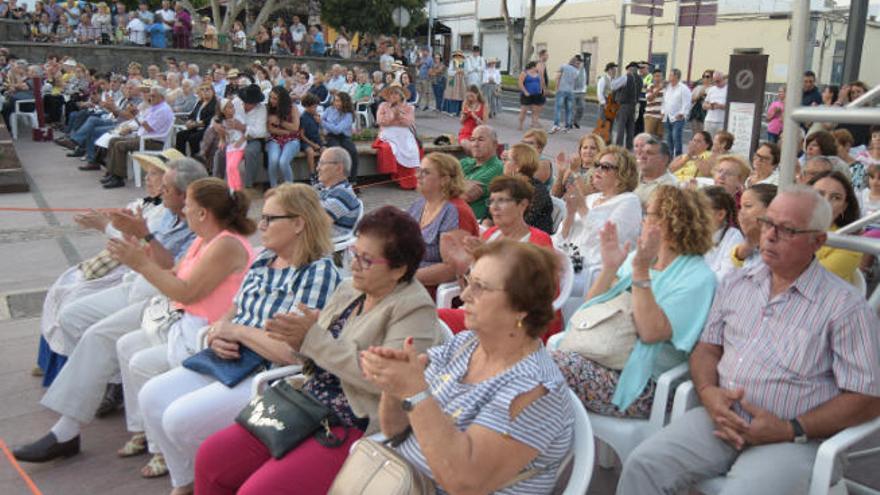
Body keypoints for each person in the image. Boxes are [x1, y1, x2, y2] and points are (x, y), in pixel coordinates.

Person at [619, 186, 880, 495]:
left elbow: (867, 398)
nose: (769, 235)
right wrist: (707, 391)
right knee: (644, 464)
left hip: (797, 438)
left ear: (818, 241)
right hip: (721, 418)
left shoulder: (845, 307)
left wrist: (791, 428)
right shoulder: (737, 282)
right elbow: (707, 348)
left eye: (787, 230)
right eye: (768, 223)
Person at [194, 206, 444, 494]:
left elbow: (390, 381)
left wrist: (312, 338)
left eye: (366, 259)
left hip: (353, 420)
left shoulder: (414, 308)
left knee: (258, 491)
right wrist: (294, 335)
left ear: (399, 269)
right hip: (306, 402)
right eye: (354, 253)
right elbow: (310, 351)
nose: (354, 265)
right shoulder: (350, 289)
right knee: (210, 459)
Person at [128, 183, 339, 493]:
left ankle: (224, 472)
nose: (261, 226)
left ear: (298, 223)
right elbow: (234, 310)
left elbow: (290, 351)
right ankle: (184, 481)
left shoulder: (317, 273)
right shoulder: (263, 261)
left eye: (270, 219)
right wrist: (218, 333)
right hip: (230, 357)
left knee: (177, 419)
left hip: (267, 374)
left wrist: (236, 331)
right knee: (151, 396)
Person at [10, 160, 208, 464]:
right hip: (139, 285)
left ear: (185, 195)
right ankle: (103, 384)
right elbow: (145, 252)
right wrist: (133, 236)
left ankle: (68, 429)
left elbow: (174, 272)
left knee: (98, 335)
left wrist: (140, 238)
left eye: (165, 187)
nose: (160, 192)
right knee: (72, 316)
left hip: (161, 297)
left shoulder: (201, 227)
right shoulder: (167, 216)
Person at [363, 240, 573, 494]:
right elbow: (395, 429)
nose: (464, 295)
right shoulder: (464, 345)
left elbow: (464, 483)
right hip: (395, 480)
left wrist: (414, 391)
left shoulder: (536, 389)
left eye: (480, 287)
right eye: (468, 281)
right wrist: (394, 384)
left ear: (522, 308)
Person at [553, 185, 716, 417]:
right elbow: (590, 308)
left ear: (670, 222)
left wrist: (640, 271)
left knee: (545, 368)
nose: (642, 220)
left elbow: (650, 332)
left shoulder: (698, 278)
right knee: (528, 361)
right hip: (599, 358)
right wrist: (610, 268)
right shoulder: (639, 259)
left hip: (644, 384)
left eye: (648, 213)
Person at [35, 151, 172, 387]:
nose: (148, 179)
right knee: (64, 285)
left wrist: (106, 226)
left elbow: (147, 247)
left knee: (74, 297)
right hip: (123, 264)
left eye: (155, 174)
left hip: (132, 271)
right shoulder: (142, 204)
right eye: (147, 174)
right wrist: (113, 223)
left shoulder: (166, 214)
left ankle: (91, 380)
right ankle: (53, 363)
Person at [554, 146, 642, 296]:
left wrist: (581, 208)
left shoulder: (629, 201)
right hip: (569, 260)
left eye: (606, 167)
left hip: (594, 271)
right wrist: (570, 215)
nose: (598, 170)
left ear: (623, 174)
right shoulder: (591, 198)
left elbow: (608, 237)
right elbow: (561, 236)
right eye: (597, 165)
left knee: (541, 280)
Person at [407, 152, 480, 290]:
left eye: (425, 173)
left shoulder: (456, 212)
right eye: (418, 171)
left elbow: (452, 269)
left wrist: (404, 278)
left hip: (431, 288)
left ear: (444, 180)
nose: (417, 176)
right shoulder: (418, 205)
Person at [101, 85, 175, 189]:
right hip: (143, 138)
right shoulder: (154, 107)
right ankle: (112, 173)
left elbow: (149, 127)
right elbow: (142, 122)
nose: (150, 98)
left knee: (120, 145)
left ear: (161, 97)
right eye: (150, 95)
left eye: (153, 96)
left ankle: (118, 178)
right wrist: (136, 114)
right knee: (113, 140)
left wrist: (137, 116)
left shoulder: (163, 110)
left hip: (153, 142)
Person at [809, 171, 862, 285]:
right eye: (819, 194)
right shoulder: (785, 228)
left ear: (844, 207)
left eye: (836, 198)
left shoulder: (851, 245)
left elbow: (811, 279)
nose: (826, 202)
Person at [374, 83, 420, 189]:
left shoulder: (408, 107)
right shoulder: (383, 106)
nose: (393, 96)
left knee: (411, 149)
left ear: (401, 95)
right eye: (391, 94)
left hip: (404, 133)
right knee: (394, 149)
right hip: (388, 132)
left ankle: (410, 179)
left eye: (395, 93)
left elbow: (409, 122)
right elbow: (380, 121)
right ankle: (397, 177)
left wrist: (400, 116)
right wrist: (392, 116)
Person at [502, 143, 554, 234]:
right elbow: (489, 214)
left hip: (532, 240)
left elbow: (523, 222)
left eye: (507, 160)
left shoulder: (537, 191)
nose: (503, 162)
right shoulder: (506, 185)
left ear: (518, 166)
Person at [315, 147, 362, 239]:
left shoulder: (342, 194)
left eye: (322, 163)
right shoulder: (327, 189)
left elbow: (317, 225)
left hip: (327, 247)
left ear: (339, 168)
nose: (317, 168)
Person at [460, 125, 504, 221]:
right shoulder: (465, 162)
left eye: (481, 139)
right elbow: (437, 183)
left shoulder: (497, 168)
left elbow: (465, 196)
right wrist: (463, 184)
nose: (475, 144)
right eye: (472, 139)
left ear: (495, 144)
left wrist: (451, 183)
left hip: (473, 222)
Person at [730, 183, 778, 270]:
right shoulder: (744, 245)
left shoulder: (781, 248)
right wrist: (748, 245)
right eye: (740, 207)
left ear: (771, 208)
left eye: (748, 206)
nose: (741, 212)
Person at [702, 186, 744, 281]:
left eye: (701, 210)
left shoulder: (734, 237)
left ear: (720, 214)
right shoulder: (691, 234)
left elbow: (726, 276)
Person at [265, 86, 301, 188]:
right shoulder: (269, 108)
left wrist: (279, 121)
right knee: (273, 161)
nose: (272, 100)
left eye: (275, 98)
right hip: (274, 139)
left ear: (282, 99)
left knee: (283, 162)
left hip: (292, 140)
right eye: (270, 97)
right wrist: (287, 132)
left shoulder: (292, 108)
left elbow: (295, 127)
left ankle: (290, 189)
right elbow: (270, 129)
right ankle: (274, 189)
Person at [552, 133, 606, 200]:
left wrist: (576, 173)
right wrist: (560, 172)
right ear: (580, 150)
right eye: (585, 148)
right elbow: (555, 195)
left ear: (600, 151)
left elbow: (588, 198)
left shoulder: (600, 172)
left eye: (593, 148)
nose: (588, 151)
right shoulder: (573, 167)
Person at [322, 91, 359, 184]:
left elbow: (337, 129)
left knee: (353, 152)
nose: (336, 103)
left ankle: (353, 181)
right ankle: (339, 181)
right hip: (330, 137)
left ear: (344, 102)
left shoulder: (348, 114)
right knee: (338, 152)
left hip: (344, 137)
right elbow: (324, 123)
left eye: (338, 101)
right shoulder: (329, 110)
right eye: (335, 100)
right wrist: (330, 125)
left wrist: (326, 123)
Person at [175, 83, 216, 157]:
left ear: (213, 91)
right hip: (196, 127)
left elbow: (211, 119)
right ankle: (181, 158)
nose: (205, 91)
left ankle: (196, 159)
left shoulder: (215, 103)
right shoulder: (200, 102)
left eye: (207, 89)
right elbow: (192, 115)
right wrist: (189, 121)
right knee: (180, 135)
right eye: (202, 90)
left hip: (207, 128)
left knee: (193, 138)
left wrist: (196, 124)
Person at [634, 137, 677, 205]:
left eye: (649, 153)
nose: (642, 157)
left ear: (664, 159)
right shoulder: (632, 175)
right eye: (642, 152)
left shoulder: (669, 187)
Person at [611, 62, 643, 149]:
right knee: (630, 128)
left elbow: (613, 86)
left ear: (629, 69)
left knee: (621, 127)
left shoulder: (626, 77)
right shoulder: (640, 79)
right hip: (634, 105)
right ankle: (629, 147)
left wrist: (613, 79)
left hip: (623, 105)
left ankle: (618, 146)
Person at [551, 55, 581, 134]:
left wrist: (556, 88)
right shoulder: (577, 71)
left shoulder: (563, 66)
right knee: (569, 110)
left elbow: (558, 77)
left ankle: (556, 125)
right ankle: (567, 126)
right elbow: (575, 83)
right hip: (570, 91)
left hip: (561, 90)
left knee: (558, 108)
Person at [459, 85, 488, 154]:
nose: (470, 99)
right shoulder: (465, 103)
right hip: (466, 132)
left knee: (480, 147)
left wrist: (475, 116)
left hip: (478, 133)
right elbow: (461, 122)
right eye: (468, 96)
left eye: (472, 96)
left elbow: (484, 124)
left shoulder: (483, 105)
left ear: (477, 94)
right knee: (468, 146)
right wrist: (464, 116)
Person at [517, 61, 545, 131]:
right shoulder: (524, 73)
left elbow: (541, 82)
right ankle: (520, 125)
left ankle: (534, 124)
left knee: (535, 111)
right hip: (527, 94)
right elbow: (520, 83)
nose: (540, 67)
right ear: (533, 66)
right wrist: (525, 91)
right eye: (538, 66)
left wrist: (541, 90)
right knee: (524, 110)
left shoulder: (538, 73)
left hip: (537, 94)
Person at [703, 71, 728, 136]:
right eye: (715, 81)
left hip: (722, 121)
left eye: (718, 81)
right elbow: (704, 105)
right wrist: (711, 106)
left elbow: (732, 106)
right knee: (708, 141)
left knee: (720, 141)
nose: (716, 83)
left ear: (723, 79)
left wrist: (720, 106)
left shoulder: (728, 89)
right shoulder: (711, 89)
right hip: (709, 120)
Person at [444, 50, 466, 116]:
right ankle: (451, 111)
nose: (458, 57)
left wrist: (463, 72)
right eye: (457, 56)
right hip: (453, 79)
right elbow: (449, 72)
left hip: (461, 80)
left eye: (459, 56)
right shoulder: (452, 62)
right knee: (452, 94)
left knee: (461, 94)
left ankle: (459, 111)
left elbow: (466, 71)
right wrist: (456, 72)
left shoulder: (463, 63)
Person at [689, 69, 712, 133]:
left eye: (707, 76)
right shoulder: (698, 87)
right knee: (695, 132)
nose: (705, 78)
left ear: (712, 78)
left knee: (704, 133)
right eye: (703, 76)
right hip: (696, 112)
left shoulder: (713, 89)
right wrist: (699, 95)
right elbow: (691, 100)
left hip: (706, 113)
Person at [644, 69, 664, 138]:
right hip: (651, 116)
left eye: (660, 76)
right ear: (653, 77)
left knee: (659, 138)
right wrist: (659, 89)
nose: (658, 78)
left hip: (661, 117)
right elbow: (649, 98)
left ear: (662, 77)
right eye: (656, 76)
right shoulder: (650, 86)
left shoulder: (666, 88)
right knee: (649, 137)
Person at [572, 55, 588, 129]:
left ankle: (576, 121)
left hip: (581, 91)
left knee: (581, 108)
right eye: (577, 62)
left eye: (580, 62)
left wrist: (585, 89)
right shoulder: (571, 69)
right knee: (571, 108)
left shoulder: (583, 69)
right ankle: (569, 122)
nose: (579, 64)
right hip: (572, 91)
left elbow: (584, 80)